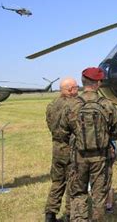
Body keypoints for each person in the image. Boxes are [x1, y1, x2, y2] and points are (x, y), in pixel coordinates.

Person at [65, 67, 117, 221]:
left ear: (83, 82)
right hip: (101, 157)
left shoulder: (72, 104)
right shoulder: (107, 104)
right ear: (98, 83)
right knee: (99, 196)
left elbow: (64, 129)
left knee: (78, 194)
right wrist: (106, 137)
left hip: (78, 157)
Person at [44, 77, 79, 222]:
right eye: (76, 87)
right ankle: (70, 215)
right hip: (70, 149)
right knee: (73, 184)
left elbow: (49, 124)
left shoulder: (51, 105)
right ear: (70, 89)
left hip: (57, 149)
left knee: (57, 183)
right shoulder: (74, 106)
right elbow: (77, 129)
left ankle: (50, 215)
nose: (78, 90)